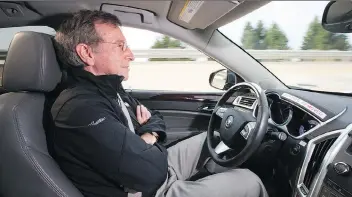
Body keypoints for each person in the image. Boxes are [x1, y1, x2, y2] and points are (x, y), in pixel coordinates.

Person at [47, 9, 268, 197]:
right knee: (249, 181)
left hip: (153, 166)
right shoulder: (79, 109)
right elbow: (150, 174)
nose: (131, 55)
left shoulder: (108, 89)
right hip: (146, 190)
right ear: (86, 53)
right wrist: (148, 139)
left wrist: (148, 136)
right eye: (120, 46)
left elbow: (155, 118)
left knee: (215, 139)